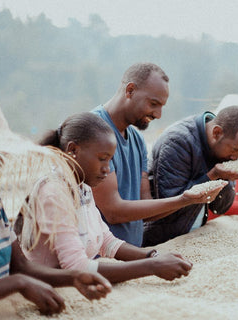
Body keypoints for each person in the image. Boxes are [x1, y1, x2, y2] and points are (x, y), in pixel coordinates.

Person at [0, 87, 111, 315]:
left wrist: (74, 277)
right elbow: (19, 278)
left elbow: (21, 267)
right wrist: (19, 284)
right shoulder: (53, 188)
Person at [18, 112, 193, 284]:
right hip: (51, 288)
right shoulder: (54, 192)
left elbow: (107, 242)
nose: (107, 169)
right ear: (73, 150)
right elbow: (76, 268)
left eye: (110, 160)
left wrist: (152, 255)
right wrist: (152, 267)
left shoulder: (82, 186)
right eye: (102, 159)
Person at [92, 63, 224, 247]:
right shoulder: (93, 131)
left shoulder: (137, 139)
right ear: (130, 90)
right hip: (101, 262)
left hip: (132, 259)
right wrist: (183, 199)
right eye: (153, 104)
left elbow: (147, 209)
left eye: (162, 106)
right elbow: (113, 212)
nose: (158, 114)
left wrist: (191, 198)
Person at [144, 106, 238, 246]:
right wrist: (213, 175)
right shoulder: (178, 142)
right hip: (162, 240)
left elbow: (220, 208)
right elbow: (171, 203)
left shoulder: (222, 149)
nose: (235, 157)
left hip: (193, 234)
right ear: (217, 133)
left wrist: (227, 178)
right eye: (234, 150)